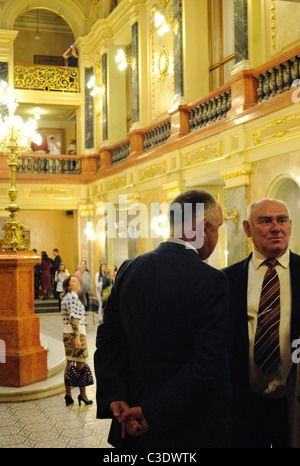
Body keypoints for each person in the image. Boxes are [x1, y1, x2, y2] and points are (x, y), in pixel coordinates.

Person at [94, 189, 231, 448]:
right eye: (218, 228)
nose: (216, 237)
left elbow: (109, 339)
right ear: (205, 227)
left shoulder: (129, 268)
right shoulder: (211, 280)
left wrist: (116, 397)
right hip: (187, 427)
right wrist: (151, 411)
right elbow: (206, 363)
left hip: (129, 424)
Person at [223, 198, 300, 448]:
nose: (276, 227)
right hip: (242, 406)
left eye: (282, 220)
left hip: (294, 404)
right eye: (265, 221)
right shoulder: (226, 280)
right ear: (247, 229)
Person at [61, 275, 93, 407]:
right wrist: (77, 337)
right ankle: (82, 395)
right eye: (73, 281)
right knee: (80, 364)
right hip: (75, 334)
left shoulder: (70, 297)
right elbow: (74, 319)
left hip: (72, 334)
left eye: (77, 280)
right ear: (68, 286)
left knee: (71, 364)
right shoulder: (71, 298)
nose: (77, 282)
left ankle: (69, 395)